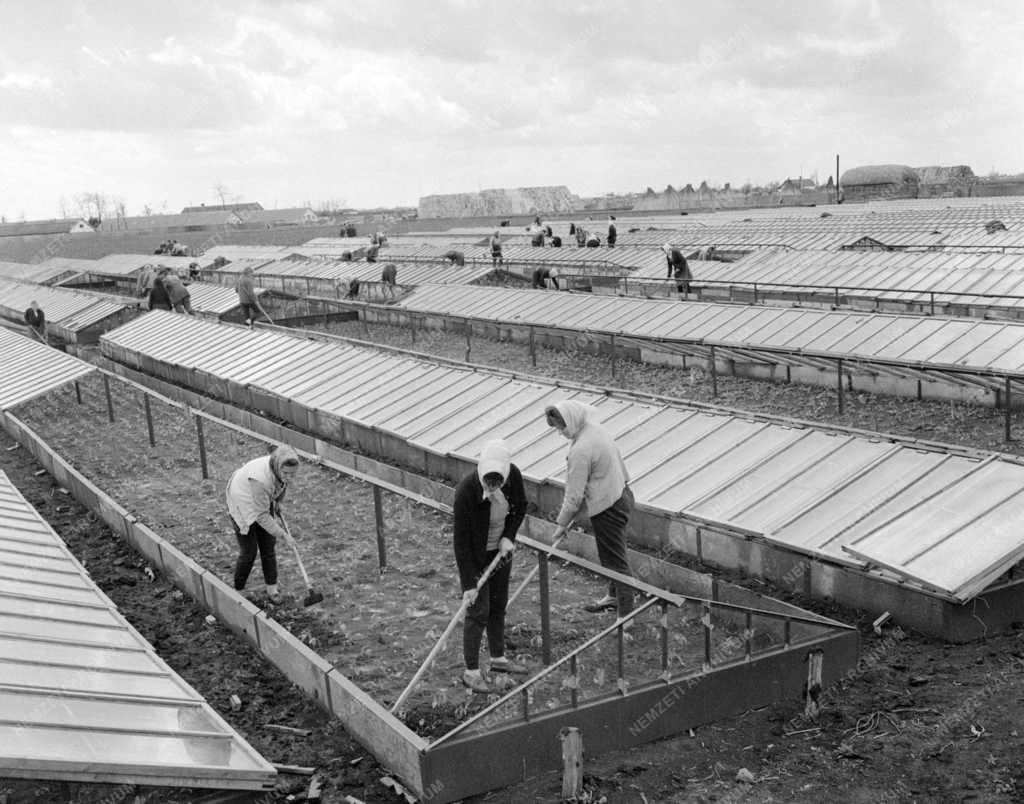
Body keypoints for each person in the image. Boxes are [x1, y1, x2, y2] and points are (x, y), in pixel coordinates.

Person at [544, 401, 635, 619]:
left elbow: (574, 494)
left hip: (609, 507)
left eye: (560, 427)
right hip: (622, 494)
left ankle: (626, 615)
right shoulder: (595, 429)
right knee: (613, 552)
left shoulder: (580, 450)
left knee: (615, 562)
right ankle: (614, 596)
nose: (560, 433)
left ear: (570, 420)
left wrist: (561, 524)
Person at [453, 439, 528, 692]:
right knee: (478, 610)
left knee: (497, 605)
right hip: (476, 556)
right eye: (488, 480)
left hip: (501, 551)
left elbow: (520, 507)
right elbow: (461, 543)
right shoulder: (466, 491)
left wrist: (509, 535)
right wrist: (469, 584)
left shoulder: (513, 476)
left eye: (497, 480)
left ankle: (498, 659)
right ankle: (471, 671)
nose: (492, 484)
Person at [225, 445, 300, 605]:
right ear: (278, 466)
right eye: (286, 473)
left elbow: (282, 484)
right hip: (242, 500)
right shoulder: (261, 480)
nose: (288, 477)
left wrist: (277, 501)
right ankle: (238, 589)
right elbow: (261, 515)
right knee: (249, 551)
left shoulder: (281, 467)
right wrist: (283, 535)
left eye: (292, 474)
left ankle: (272, 589)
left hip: (260, 501)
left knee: (268, 546)